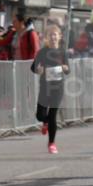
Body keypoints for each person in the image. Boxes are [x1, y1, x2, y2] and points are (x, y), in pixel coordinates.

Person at [31, 24, 69, 154]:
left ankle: (52, 143)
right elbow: (33, 68)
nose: (53, 37)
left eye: (55, 34)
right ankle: (45, 122)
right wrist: (38, 70)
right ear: (47, 38)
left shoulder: (63, 51)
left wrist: (65, 68)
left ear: (59, 36)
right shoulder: (42, 52)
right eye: (50, 35)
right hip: (45, 87)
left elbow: (68, 69)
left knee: (53, 115)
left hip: (58, 88)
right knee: (40, 115)